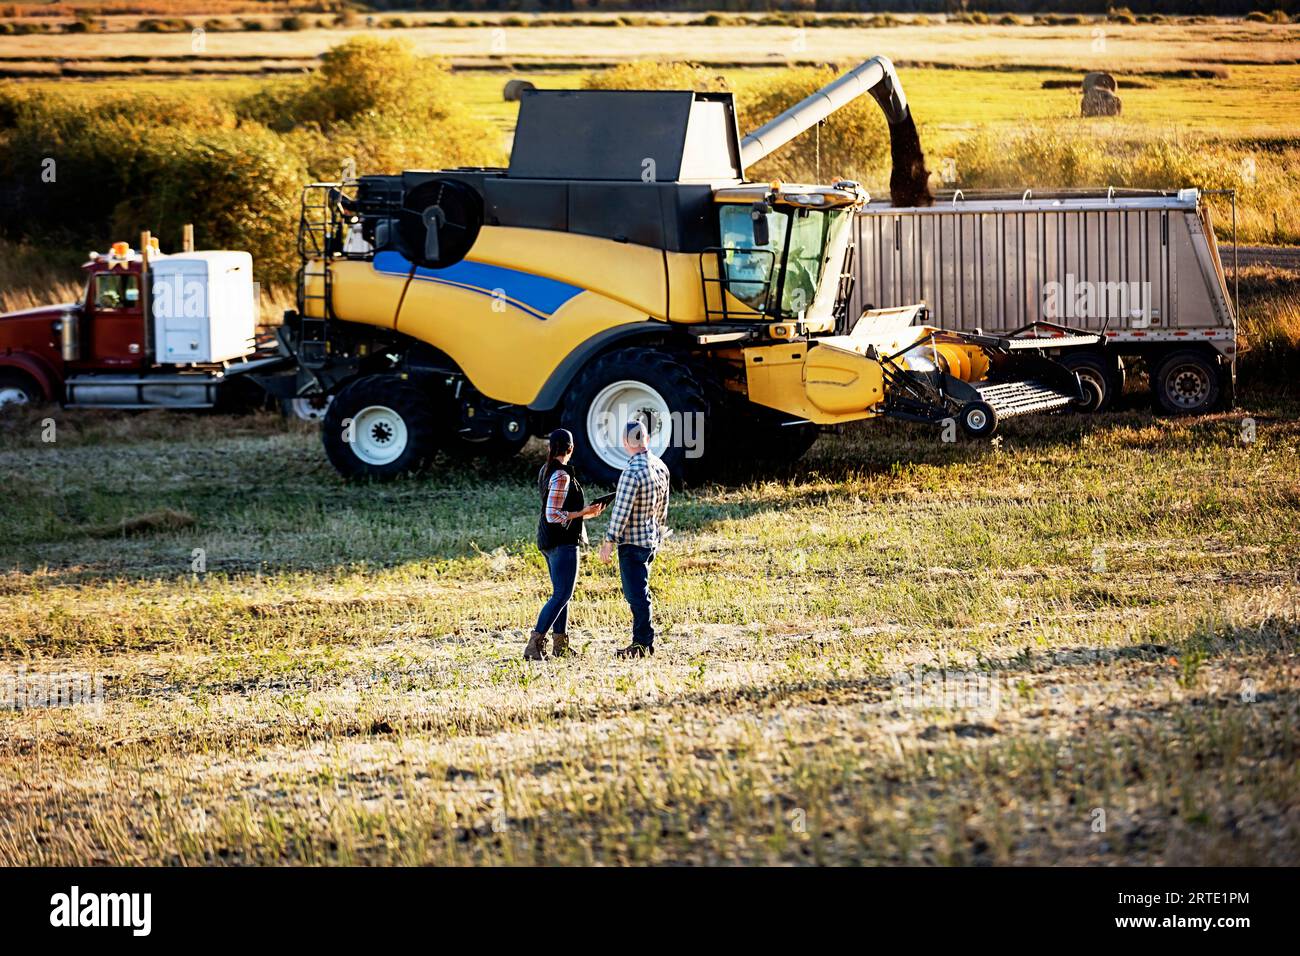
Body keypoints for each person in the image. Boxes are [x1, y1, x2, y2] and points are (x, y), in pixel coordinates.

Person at [525, 429, 604, 661]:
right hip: (562, 543)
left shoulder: (546, 470)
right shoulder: (562, 475)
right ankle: (534, 645)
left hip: (550, 541)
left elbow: (559, 511)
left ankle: (560, 645)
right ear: (571, 449)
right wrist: (582, 511)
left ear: (550, 448)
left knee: (561, 595)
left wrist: (588, 513)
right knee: (562, 594)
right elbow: (553, 514)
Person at [599, 420, 671, 658]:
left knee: (636, 596)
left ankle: (642, 643)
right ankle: (643, 642)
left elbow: (621, 512)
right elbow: (663, 508)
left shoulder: (631, 473)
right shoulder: (661, 467)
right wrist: (658, 530)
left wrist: (609, 541)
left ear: (625, 442)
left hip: (632, 543)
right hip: (650, 539)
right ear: (647, 439)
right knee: (641, 592)